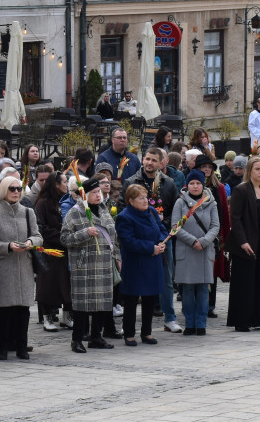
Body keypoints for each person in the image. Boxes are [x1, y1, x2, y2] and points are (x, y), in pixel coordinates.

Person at [0, 176, 42, 360]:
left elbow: (38, 236)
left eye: (18, 188)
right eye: (12, 189)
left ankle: (22, 347)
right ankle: (2, 347)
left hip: (24, 266)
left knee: (23, 310)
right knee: (4, 310)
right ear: (3, 191)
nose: (16, 192)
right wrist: (9, 246)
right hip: (3, 267)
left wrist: (30, 242)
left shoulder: (27, 212)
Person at [124, 148, 181, 332]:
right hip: (139, 239)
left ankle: (169, 318)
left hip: (162, 238)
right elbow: (123, 208)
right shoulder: (131, 181)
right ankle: (130, 325)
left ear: (161, 163)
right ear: (143, 160)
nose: (150, 163)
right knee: (135, 282)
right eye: (147, 159)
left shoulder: (169, 183)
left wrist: (163, 226)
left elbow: (175, 209)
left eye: (154, 160)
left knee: (166, 280)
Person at [61, 176, 120, 353]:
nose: (98, 196)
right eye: (94, 193)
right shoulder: (75, 211)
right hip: (84, 265)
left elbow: (114, 237)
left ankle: (96, 337)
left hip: (104, 264)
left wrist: (117, 257)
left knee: (102, 302)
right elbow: (64, 238)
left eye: (99, 192)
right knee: (82, 305)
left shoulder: (104, 210)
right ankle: (77, 339)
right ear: (84, 195)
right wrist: (85, 233)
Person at [226, 156, 260, 332]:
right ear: (250, 171)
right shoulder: (241, 190)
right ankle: (243, 320)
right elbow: (236, 218)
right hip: (247, 244)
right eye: (257, 169)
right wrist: (242, 241)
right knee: (245, 284)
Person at [115, 184, 168, 346]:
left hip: (152, 262)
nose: (145, 201)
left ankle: (147, 332)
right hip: (135, 263)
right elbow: (128, 242)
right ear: (131, 201)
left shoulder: (151, 212)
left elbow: (162, 230)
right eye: (141, 198)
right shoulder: (125, 217)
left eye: (146, 197)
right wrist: (150, 248)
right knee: (131, 299)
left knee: (150, 298)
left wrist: (161, 242)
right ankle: (129, 334)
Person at [173, 169, 219, 335]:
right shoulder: (180, 203)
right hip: (186, 250)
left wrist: (204, 241)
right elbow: (175, 227)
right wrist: (193, 241)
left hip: (204, 251)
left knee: (202, 289)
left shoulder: (211, 203)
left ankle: (201, 323)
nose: (195, 186)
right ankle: (189, 323)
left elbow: (215, 226)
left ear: (203, 184)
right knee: (187, 290)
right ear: (187, 185)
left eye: (198, 183)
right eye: (192, 183)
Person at [35, 171, 71, 332]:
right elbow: (41, 227)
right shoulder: (43, 203)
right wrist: (61, 236)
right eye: (64, 181)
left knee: (66, 284)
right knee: (48, 285)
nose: (67, 184)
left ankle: (67, 315)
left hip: (66, 249)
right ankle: (47, 317)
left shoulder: (65, 201)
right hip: (51, 249)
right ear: (56, 184)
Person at [195, 154, 230, 319]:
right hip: (196, 234)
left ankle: (210, 304)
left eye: (209, 167)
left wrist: (225, 235)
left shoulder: (219, 187)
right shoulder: (193, 186)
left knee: (212, 271)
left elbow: (224, 211)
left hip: (216, 235)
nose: (207, 169)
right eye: (204, 167)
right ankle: (196, 302)